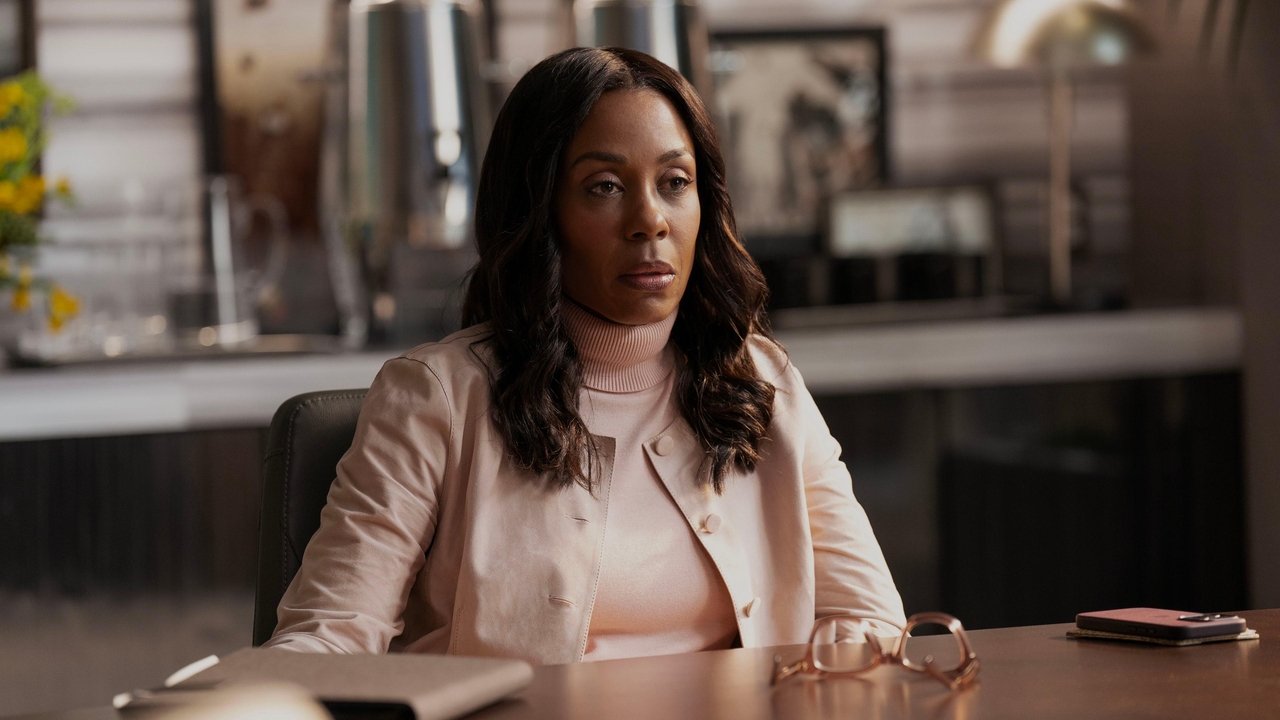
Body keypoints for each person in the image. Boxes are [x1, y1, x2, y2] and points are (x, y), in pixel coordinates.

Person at [266, 46, 905, 663]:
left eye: (675, 182)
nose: (650, 220)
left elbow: (871, 623)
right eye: (604, 186)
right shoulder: (436, 397)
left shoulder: (765, 382)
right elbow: (332, 636)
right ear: (539, 211)